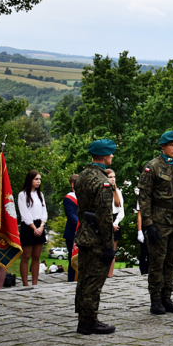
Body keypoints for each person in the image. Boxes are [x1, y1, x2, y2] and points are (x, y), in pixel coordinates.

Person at [137, 131, 173, 315]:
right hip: (159, 220)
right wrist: (148, 223)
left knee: (171, 260)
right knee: (157, 261)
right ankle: (155, 298)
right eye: (172, 145)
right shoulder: (152, 167)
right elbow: (144, 197)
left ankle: (167, 296)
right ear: (163, 146)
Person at [74, 139, 118, 335]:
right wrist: (109, 246)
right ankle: (89, 321)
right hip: (96, 237)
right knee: (94, 280)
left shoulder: (83, 176)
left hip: (84, 232)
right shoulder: (104, 182)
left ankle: (83, 316)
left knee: (83, 278)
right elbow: (104, 216)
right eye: (111, 154)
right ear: (105, 156)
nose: (112, 157)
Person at [18, 170, 48, 286]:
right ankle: (25, 283)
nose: (38, 182)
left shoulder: (40, 195)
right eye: (36, 179)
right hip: (28, 226)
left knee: (36, 256)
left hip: (39, 225)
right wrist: (33, 228)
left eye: (40, 179)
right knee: (26, 256)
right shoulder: (23, 195)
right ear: (30, 180)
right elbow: (24, 213)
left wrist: (41, 226)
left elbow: (44, 211)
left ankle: (35, 283)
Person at [105, 169, 124, 277]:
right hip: (106, 221)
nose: (113, 179)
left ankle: (110, 274)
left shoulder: (118, 192)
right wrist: (111, 224)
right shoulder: (103, 191)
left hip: (115, 220)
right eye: (110, 177)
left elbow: (121, 212)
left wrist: (115, 223)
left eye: (114, 177)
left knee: (112, 250)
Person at [63, 174, 79, 282]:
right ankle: (71, 281)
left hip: (85, 231)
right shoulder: (68, 198)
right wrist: (80, 224)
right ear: (73, 184)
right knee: (73, 258)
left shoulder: (84, 197)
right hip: (72, 232)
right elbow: (71, 214)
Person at [135, 201, 149, 275]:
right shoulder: (142, 196)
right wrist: (139, 231)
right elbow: (139, 215)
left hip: (156, 223)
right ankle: (143, 271)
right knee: (144, 250)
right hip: (145, 224)